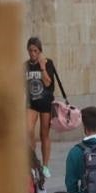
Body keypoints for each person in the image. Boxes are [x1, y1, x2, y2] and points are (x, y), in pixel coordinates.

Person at [24, 37, 62, 176]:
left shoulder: (48, 63)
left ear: (40, 51)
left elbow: (47, 83)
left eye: (35, 50)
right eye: (30, 50)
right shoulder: (25, 65)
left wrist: (42, 67)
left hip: (46, 103)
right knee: (28, 130)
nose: (32, 53)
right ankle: (33, 161)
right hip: (31, 103)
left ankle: (45, 167)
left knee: (44, 134)